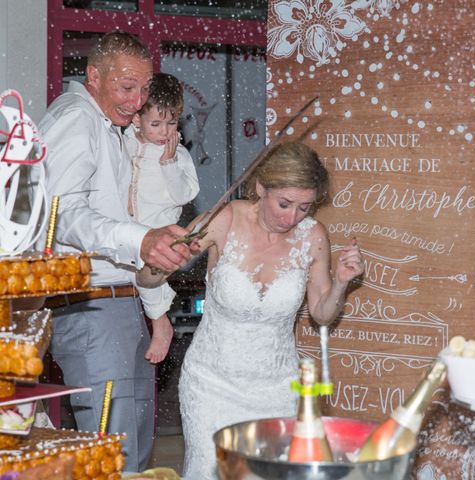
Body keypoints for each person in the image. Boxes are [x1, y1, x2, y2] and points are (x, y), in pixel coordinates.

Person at [138, 141, 364, 479]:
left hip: (278, 389)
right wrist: (160, 258)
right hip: (211, 385)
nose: (292, 218)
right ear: (261, 187)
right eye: (284, 204)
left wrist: (342, 282)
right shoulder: (224, 220)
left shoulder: (313, 235)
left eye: (304, 207)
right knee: (210, 471)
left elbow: (321, 313)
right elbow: (148, 278)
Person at [35, 31, 193, 472]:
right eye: (127, 87)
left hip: (118, 308)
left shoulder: (106, 125)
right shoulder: (75, 119)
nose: (138, 100)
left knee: (134, 452)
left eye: (144, 89)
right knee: (113, 455)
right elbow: (61, 213)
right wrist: (140, 240)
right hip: (92, 310)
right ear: (94, 76)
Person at [124, 72, 200, 363]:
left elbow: (185, 194)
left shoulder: (177, 154)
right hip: (128, 227)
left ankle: (161, 323)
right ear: (136, 119)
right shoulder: (126, 143)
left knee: (146, 274)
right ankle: (156, 321)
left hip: (158, 230)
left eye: (171, 123)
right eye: (156, 124)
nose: (164, 131)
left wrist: (168, 163)